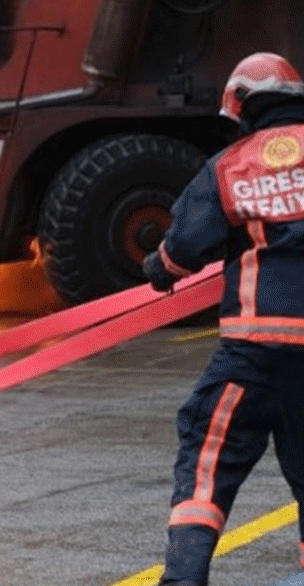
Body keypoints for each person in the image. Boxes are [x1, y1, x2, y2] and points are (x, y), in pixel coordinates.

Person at [142, 52, 304, 586]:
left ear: (239, 104)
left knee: (208, 460)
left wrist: (157, 269)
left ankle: (184, 579)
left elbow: (185, 248)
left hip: (251, 353)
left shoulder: (232, 165)